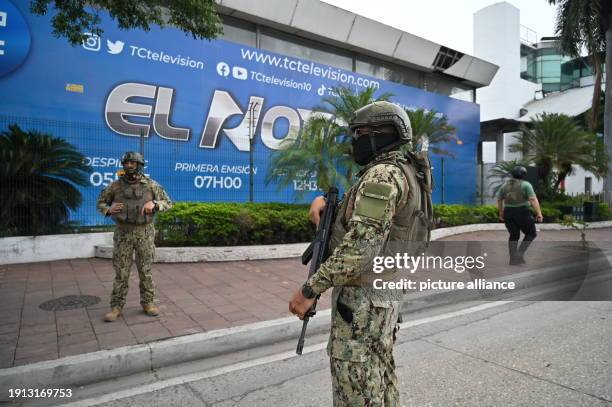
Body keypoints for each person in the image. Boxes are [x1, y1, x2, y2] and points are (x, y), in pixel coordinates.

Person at [289, 101, 432, 407]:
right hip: (383, 293)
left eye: (359, 133)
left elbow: (361, 246)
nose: (354, 141)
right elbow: (376, 228)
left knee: (355, 387)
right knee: (379, 375)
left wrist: (310, 288)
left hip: (363, 301)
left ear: (382, 133)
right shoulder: (406, 170)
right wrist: (327, 212)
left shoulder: (382, 175)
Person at [96, 151, 172, 322]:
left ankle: (148, 303)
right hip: (123, 232)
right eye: (126, 163)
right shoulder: (115, 186)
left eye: (132, 163)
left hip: (144, 232)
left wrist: (155, 204)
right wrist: (108, 209)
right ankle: (116, 306)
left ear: (139, 165)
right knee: (121, 272)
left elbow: (168, 202)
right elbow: (100, 202)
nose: (128, 166)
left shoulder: (152, 185)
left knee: (145, 270)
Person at [497, 165, 543, 265]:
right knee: (531, 233)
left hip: (508, 212)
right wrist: (539, 213)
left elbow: (499, 199)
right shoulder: (526, 185)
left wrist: (501, 213)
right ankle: (519, 254)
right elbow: (533, 199)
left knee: (513, 235)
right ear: (523, 175)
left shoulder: (505, 185)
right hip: (522, 212)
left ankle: (513, 259)